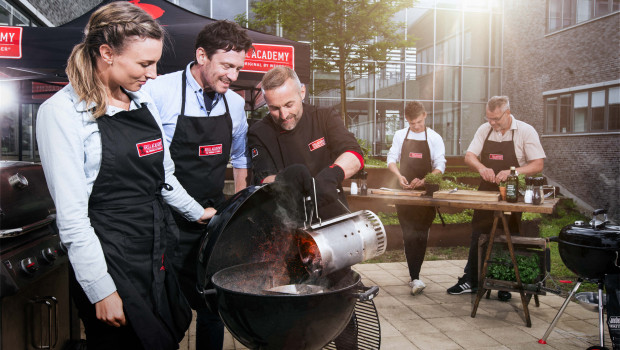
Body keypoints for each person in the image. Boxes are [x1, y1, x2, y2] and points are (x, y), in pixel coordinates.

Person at [35, 3, 214, 350]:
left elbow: (164, 179)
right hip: (110, 259)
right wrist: (101, 289)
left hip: (154, 252)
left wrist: (198, 213)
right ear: (106, 53)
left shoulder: (142, 102)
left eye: (155, 62)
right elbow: (72, 219)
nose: (153, 74)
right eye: (145, 63)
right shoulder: (61, 113)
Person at [142, 20, 252, 350]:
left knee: (211, 306)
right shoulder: (158, 92)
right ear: (202, 56)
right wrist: (192, 211)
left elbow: (241, 159)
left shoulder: (234, 103)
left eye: (238, 68)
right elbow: (154, 170)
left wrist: (238, 209)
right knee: (164, 310)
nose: (233, 77)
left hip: (211, 223)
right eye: (227, 66)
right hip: (166, 223)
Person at [248, 66, 364, 349]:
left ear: (302, 92)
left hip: (333, 229)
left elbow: (354, 153)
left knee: (340, 298)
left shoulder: (324, 117)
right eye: (274, 108)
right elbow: (264, 177)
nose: (283, 115)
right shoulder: (259, 132)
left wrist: (332, 174)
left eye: (289, 104)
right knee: (295, 308)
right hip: (289, 231)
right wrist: (288, 181)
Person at [447, 96, 545, 301]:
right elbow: (469, 156)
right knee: (478, 234)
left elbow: (537, 164)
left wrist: (513, 173)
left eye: (496, 119)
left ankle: (504, 283)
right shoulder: (484, 130)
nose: (492, 123)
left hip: (512, 193)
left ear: (507, 113)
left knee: (508, 235)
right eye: (488, 118)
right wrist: (482, 168)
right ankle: (471, 279)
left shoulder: (526, 131)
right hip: (487, 190)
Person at [386, 101, 446, 295]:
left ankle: (415, 275)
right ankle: (415, 277)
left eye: (419, 122)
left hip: (426, 194)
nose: (416, 126)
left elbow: (440, 166)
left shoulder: (434, 138)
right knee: (408, 234)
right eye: (412, 123)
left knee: (421, 234)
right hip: (404, 194)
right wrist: (398, 176)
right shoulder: (400, 136)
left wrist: (425, 180)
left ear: (425, 116)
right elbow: (391, 160)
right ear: (406, 120)